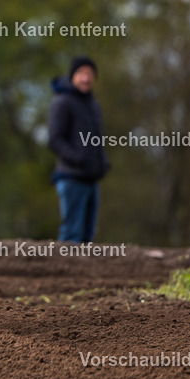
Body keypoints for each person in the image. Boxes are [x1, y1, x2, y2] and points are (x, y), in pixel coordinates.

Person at [48, 56, 110, 243]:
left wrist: (102, 162)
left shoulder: (93, 105)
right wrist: (78, 159)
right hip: (71, 177)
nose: (86, 78)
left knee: (87, 236)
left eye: (90, 74)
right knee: (71, 234)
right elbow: (55, 139)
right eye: (82, 73)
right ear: (73, 76)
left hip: (92, 178)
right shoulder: (62, 102)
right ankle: (62, 272)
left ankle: (81, 274)